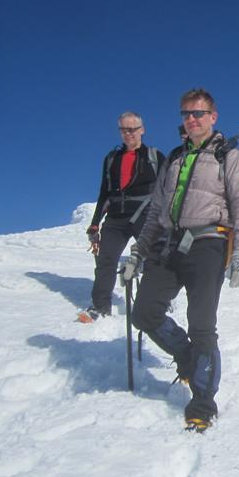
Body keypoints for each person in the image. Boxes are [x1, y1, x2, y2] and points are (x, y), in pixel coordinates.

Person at [123, 88, 239, 433]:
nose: (192, 119)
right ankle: (187, 356)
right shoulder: (175, 158)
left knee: (201, 325)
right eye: (186, 114)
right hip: (168, 245)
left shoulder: (229, 156)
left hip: (208, 244)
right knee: (144, 312)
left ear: (213, 117)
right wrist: (138, 252)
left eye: (198, 113)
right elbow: (156, 211)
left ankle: (202, 403)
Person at [78, 112, 165, 323]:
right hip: (116, 217)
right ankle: (100, 307)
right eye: (124, 130)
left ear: (142, 130)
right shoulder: (112, 159)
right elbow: (104, 192)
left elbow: (168, 189)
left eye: (132, 129)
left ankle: (157, 301)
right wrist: (95, 223)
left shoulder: (155, 157)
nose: (128, 134)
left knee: (154, 258)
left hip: (145, 215)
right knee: (106, 260)